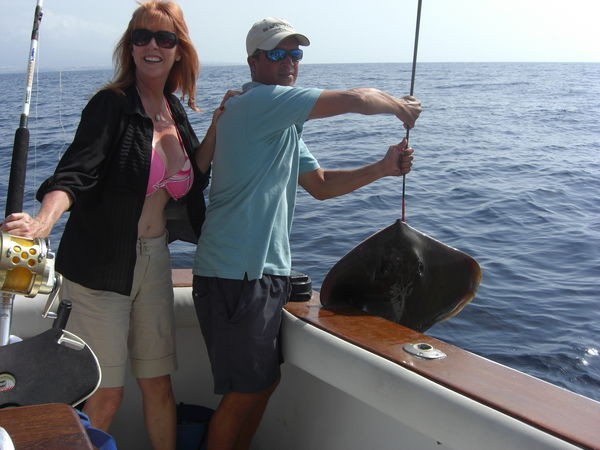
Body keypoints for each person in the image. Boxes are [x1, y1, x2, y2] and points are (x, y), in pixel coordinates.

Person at [191, 16, 422, 450]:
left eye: (295, 54)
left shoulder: (281, 124)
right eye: (277, 53)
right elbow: (355, 99)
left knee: (262, 385)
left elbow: (321, 186)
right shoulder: (260, 103)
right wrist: (398, 106)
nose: (289, 62)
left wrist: (383, 168)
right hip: (235, 272)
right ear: (253, 62)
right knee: (244, 394)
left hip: (264, 273)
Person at [1, 2, 215, 449]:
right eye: (141, 36)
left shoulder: (174, 111)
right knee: (105, 393)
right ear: (130, 47)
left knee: (159, 385)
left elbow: (192, 178)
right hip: (100, 267)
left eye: (164, 38)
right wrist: (43, 221)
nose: (152, 45)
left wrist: (218, 126)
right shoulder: (110, 105)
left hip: (154, 260)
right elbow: (73, 175)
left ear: (179, 49)